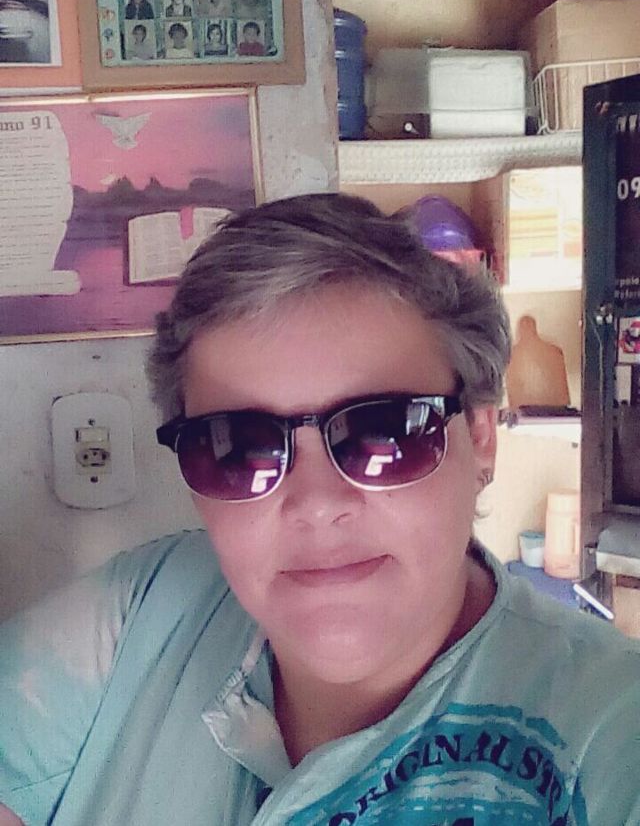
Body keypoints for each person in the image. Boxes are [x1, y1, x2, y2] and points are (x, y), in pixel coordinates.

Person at [0, 193, 639, 826]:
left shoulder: (609, 728)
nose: (316, 505)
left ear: (479, 438)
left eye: (385, 432)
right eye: (238, 447)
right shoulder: (142, 612)